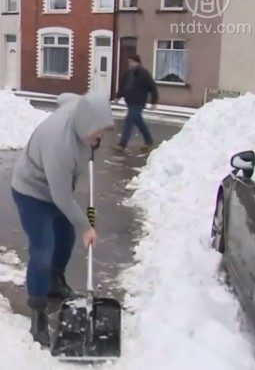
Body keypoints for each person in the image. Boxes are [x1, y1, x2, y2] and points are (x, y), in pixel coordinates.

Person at [11, 92, 114, 348]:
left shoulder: (78, 111)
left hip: (57, 191)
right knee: (43, 251)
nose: (100, 136)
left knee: (65, 240)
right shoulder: (60, 144)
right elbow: (61, 196)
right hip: (33, 192)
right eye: (97, 131)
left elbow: (65, 97)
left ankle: (56, 283)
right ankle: (38, 311)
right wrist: (86, 227)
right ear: (85, 124)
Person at [115, 54, 158, 153]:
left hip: (139, 103)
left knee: (129, 121)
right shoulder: (128, 74)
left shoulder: (144, 74)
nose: (130, 64)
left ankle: (122, 145)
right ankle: (149, 141)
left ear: (137, 63)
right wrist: (118, 96)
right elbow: (123, 86)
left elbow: (152, 87)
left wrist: (154, 102)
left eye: (132, 62)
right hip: (130, 102)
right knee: (139, 122)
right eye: (129, 62)